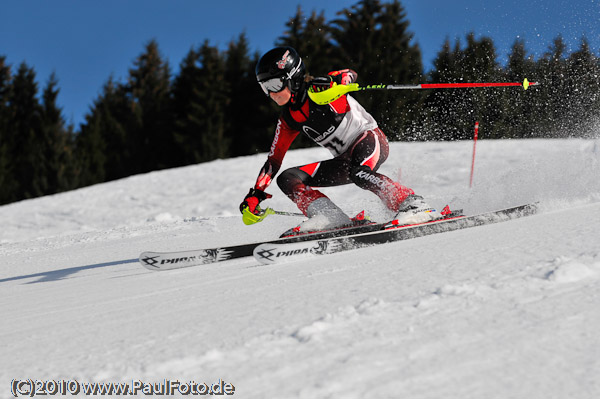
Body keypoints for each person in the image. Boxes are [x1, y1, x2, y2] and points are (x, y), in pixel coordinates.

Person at [239, 46, 440, 234]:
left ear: (292, 77)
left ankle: (413, 204)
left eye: (274, 84)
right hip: (345, 159)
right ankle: (329, 216)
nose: (271, 94)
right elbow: (274, 160)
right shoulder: (289, 119)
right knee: (288, 178)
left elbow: (350, 75)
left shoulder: (319, 89)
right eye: (265, 88)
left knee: (360, 173)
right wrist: (256, 193)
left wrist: (335, 81)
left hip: (369, 139)